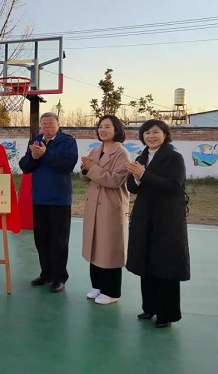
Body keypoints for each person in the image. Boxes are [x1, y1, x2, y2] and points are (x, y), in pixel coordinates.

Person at [126, 119, 190, 328]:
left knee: (166, 265)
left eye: (155, 132)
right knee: (146, 262)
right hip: (144, 216)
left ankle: (167, 313)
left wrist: (144, 175)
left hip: (167, 219)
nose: (151, 136)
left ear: (165, 134)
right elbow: (132, 187)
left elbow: (174, 186)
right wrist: (137, 178)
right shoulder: (141, 157)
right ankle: (150, 307)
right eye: (147, 133)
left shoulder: (174, 158)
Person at [19, 112, 78, 293]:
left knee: (59, 240)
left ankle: (59, 277)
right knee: (41, 239)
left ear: (58, 125)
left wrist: (45, 154)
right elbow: (25, 166)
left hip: (60, 198)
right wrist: (34, 157)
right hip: (39, 198)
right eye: (44, 124)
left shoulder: (67, 141)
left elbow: (67, 164)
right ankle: (46, 273)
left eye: (51, 124)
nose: (47, 127)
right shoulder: (36, 140)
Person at [80, 115, 130, 305]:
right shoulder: (95, 150)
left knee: (109, 249)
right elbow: (85, 177)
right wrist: (85, 169)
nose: (103, 130)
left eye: (107, 126)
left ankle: (112, 291)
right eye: (100, 126)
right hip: (94, 204)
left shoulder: (121, 153)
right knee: (95, 245)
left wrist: (92, 168)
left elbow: (115, 180)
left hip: (111, 206)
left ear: (116, 130)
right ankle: (98, 285)